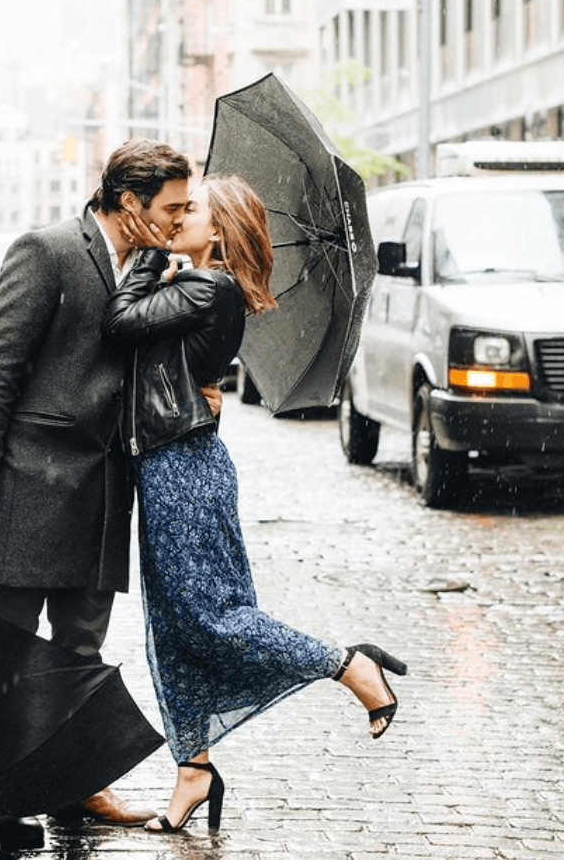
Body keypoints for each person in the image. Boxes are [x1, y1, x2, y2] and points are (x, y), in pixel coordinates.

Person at [102, 174, 408, 834]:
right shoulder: (196, 286)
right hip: (169, 465)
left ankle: (351, 666)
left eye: (191, 210)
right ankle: (193, 769)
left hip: (183, 467)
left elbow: (120, 322)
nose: (177, 214)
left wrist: (149, 249)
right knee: (172, 627)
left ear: (216, 232)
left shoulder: (207, 286)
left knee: (211, 619)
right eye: (173, 208)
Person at [0, 139, 202, 832]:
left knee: (80, 647)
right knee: (9, 641)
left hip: (105, 481)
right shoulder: (49, 250)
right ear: (130, 202)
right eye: (172, 207)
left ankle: (74, 786)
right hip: (33, 477)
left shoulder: (154, 266)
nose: (182, 218)